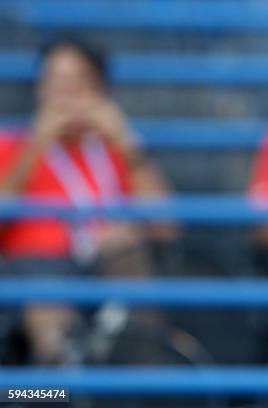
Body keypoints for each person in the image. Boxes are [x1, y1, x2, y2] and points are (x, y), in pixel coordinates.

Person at [0, 38, 173, 364]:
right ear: (40, 90)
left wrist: (124, 139)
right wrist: (36, 143)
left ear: (100, 91)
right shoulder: (11, 144)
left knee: (127, 246)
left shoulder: (115, 148)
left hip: (104, 268)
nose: (67, 95)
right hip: (34, 271)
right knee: (47, 306)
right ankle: (53, 392)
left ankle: (142, 370)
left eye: (79, 83)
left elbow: (166, 226)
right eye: (56, 83)